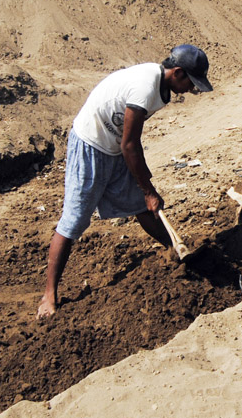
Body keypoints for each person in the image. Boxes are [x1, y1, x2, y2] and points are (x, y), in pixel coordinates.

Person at [38, 44, 213, 319]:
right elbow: (131, 145)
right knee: (74, 221)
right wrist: (149, 188)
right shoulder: (145, 86)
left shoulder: (162, 88)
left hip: (114, 148)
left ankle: (175, 250)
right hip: (90, 145)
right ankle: (49, 294)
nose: (192, 90)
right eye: (191, 82)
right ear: (177, 72)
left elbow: (127, 144)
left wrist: (145, 192)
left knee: (142, 206)